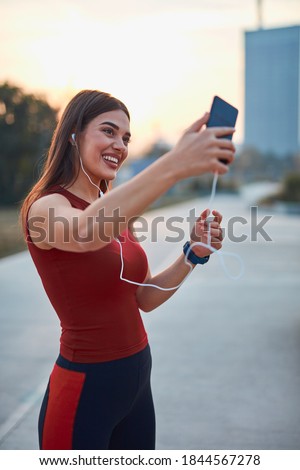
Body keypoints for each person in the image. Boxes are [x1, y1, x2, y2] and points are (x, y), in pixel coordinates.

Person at [20, 89, 235, 450]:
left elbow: (144, 297)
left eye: (125, 137)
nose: (119, 144)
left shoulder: (112, 208)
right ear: (73, 134)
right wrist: (175, 163)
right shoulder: (46, 207)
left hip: (136, 384)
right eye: (108, 131)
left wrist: (191, 254)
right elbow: (86, 233)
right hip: (84, 390)